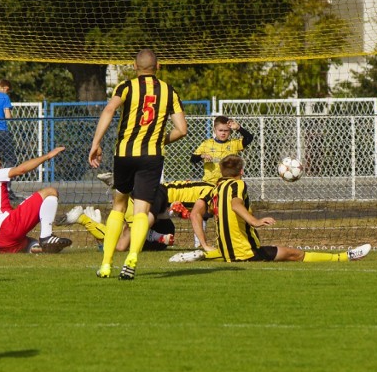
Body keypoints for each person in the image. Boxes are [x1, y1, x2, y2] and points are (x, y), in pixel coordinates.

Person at [88, 48, 187, 280]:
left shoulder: (125, 87)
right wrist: (159, 139)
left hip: (124, 154)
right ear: (158, 67)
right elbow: (182, 130)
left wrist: (96, 142)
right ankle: (132, 257)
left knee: (119, 206)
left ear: (134, 66)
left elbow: (110, 109)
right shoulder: (169, 91)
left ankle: (106, 263)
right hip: (152, 156)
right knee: (142, 210)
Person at [187, 154, 371, 264]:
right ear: (241, 171)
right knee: (295, 254)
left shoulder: (215, 189)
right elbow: (236, 205)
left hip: (226, 251)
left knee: (278, 251)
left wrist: (204, 243)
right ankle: (344, 257)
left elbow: (195, 214)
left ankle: (202, 253)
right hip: (246, 252)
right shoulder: (239, 185)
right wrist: (255, 221)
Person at [65, 180, 214, 252]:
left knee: (161, 243)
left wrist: (175, 213)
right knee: (121, 246)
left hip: (161, 206)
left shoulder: (216, 198)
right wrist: (205, 246)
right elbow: (195, 215)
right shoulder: (213, 191)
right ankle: (85, 219)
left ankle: (103, 230)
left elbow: (193, 214)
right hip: (155, 194)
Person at [191, 115, 254, 185]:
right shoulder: (206, 144)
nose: (223, 133)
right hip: (210, 183)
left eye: (226, 131)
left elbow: (249, 138)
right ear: (214, 130)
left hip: (228, 183)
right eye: (220, 130)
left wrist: (239, 128)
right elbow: (193, 159)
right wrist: (201, 156)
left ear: (230, 131)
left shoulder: (234, 144)